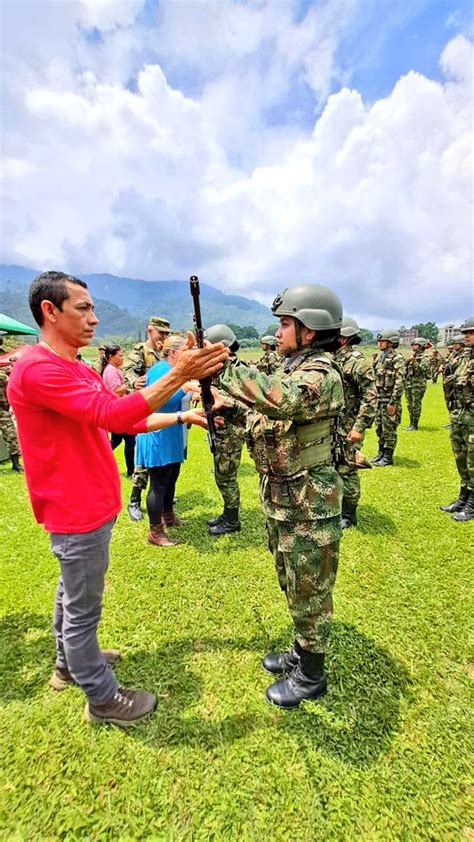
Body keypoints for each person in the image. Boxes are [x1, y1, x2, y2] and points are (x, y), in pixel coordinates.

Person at [7, 271, 227, 728]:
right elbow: (114, 412)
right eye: (83, 308)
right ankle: (102, 697)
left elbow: (123, 421)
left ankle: (70, 662)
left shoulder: (76, 366)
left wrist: (183, 410)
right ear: (50, 311)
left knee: (72, 592)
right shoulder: (38, 368)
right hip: (76, 508)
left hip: (90, 505)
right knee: (84, 607)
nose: (94, 318)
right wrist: (181, 373)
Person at [215, 284, 344, 709]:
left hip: (310, 502)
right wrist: (229, 412)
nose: (279, 331)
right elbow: (267, 418)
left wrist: (224, 368)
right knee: (291, 579)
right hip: (285, 497)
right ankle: (300, 650)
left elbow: (283, 402)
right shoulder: (293, 369)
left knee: (310, 586)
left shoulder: (321, 375)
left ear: (310, 330)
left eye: (286, 323)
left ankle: (312, 673)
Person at [135, 335, 198, 547]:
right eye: (185, 351)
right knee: (159, 484)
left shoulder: (173, 371)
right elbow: (164, 400)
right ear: (173, 353)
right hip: (158, 435)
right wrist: (187, 387)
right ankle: (155, 531)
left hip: (170, 434)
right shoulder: (162, 370)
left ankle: (168, 516)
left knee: (171, 478)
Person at [124, 316, 171, 521]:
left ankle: (162, 496)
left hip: (165, 410)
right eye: (161, 333)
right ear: (150, 331)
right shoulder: (140, 351)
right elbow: (127, 372)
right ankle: (134, 499)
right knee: (144, 459)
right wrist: (134, 382)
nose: (164, 337)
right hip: (145, 411)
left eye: (167, 334)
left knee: (164, 458)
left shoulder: (166, 353)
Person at [332, 317, 376, 528]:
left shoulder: (357, 362)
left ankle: (349, 515)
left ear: (344, 338)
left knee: (347, 470)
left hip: (349, 427)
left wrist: (359, 427)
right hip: (332, 426)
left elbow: (370, 396)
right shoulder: (332, 358)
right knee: (333, 468)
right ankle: (337, 507)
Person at [205, 324, 247, 536]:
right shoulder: (220, 368)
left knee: (226, 477)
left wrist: (223, 402)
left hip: (231, 432)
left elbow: (246, 403)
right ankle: (227, 513)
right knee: (222, 476)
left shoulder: (238, 371)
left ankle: (232, 520)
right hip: (221, 430)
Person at [439, 317, 474, 521]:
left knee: (473, 460)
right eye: (466, 333)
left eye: (471, 333)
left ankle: (472, 503)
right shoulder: (462, 357)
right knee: (460, 456)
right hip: (460, 414)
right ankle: (463, 496)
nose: (467, 336)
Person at [371, 329, 405, 466]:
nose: (380, 343)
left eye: (383, 341)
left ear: (391, 342)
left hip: (389, 400)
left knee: (389, 429)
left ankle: (388, 457)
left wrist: (393, 402)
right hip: (379, 400)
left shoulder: (397, 358)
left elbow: (400, 381)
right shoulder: (379, 358)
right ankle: (381, 452)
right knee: (379, 428)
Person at [101, 344, 135, 477]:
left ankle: (97, 455)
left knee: (118, 440)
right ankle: (131, 471)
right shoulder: (111, 371)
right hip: (119, 410)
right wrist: (130, 385)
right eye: (120, 356)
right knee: (130, 441)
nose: (122, 358)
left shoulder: (114, 369)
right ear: (111, 357)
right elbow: (115, 390)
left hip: (119, 409)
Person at [0, 361, 23, 472]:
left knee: (11, 436)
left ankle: (16, 464)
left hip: (3, 411)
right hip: (3, 410)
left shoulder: (3, 376)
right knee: (11, 436)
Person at [404, 337, 430, 431]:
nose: (414, 346)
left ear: (421, 346)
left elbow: (422, 370)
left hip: (418, 385)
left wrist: (414, 362)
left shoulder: (424, 358)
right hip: (409, 384)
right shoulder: (413, 356)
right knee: (409, 405)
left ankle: (415, 425)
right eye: (413, 344)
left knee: (416, 405)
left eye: (416, 345)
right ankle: (411, 423)